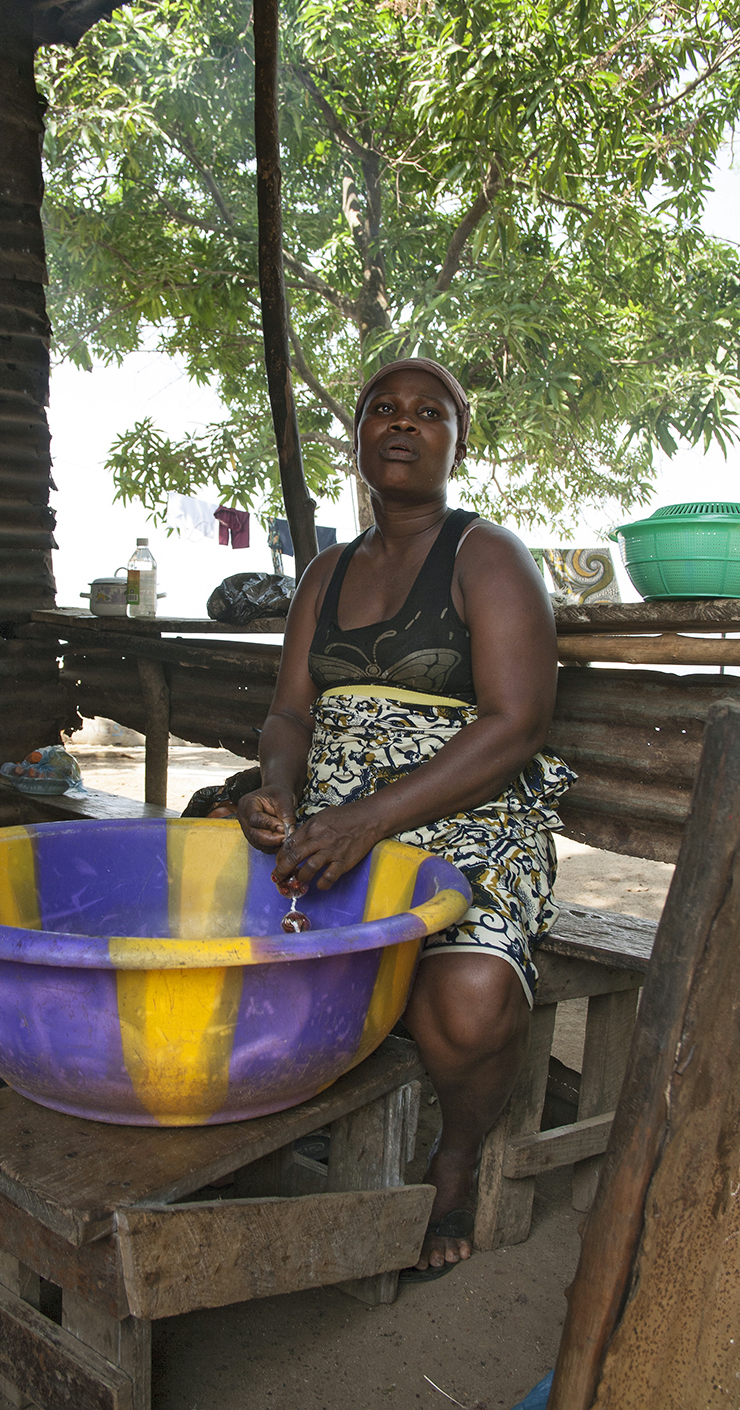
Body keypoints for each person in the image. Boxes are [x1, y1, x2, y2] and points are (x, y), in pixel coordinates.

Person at [236, 358, 575, 1280]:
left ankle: (456, 1155)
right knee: (224, 953)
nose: (403, 422)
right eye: (382, 408)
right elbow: (290, 714)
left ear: (457, 443)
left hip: (466, 817)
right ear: (358, 436)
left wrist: (367, 824)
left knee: (465, 1006)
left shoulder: (486, 556)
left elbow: (517, 724)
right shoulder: (325, 573)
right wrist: (278, 789)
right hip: (334, 824)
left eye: (431, 412)